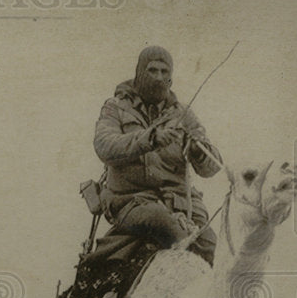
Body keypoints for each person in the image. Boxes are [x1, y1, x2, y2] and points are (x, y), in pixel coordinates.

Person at [93, 46, 222, 265]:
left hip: (181, 203)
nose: (159, 78)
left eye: (165, 72)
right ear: (139, 72)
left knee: (211, 245)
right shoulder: (115, 108)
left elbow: (212, 167)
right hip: (131, 201)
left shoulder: (183, 114)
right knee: (167, 226)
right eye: (153, 70)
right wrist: (150, 139)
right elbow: (104, 146)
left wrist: (198, 151)